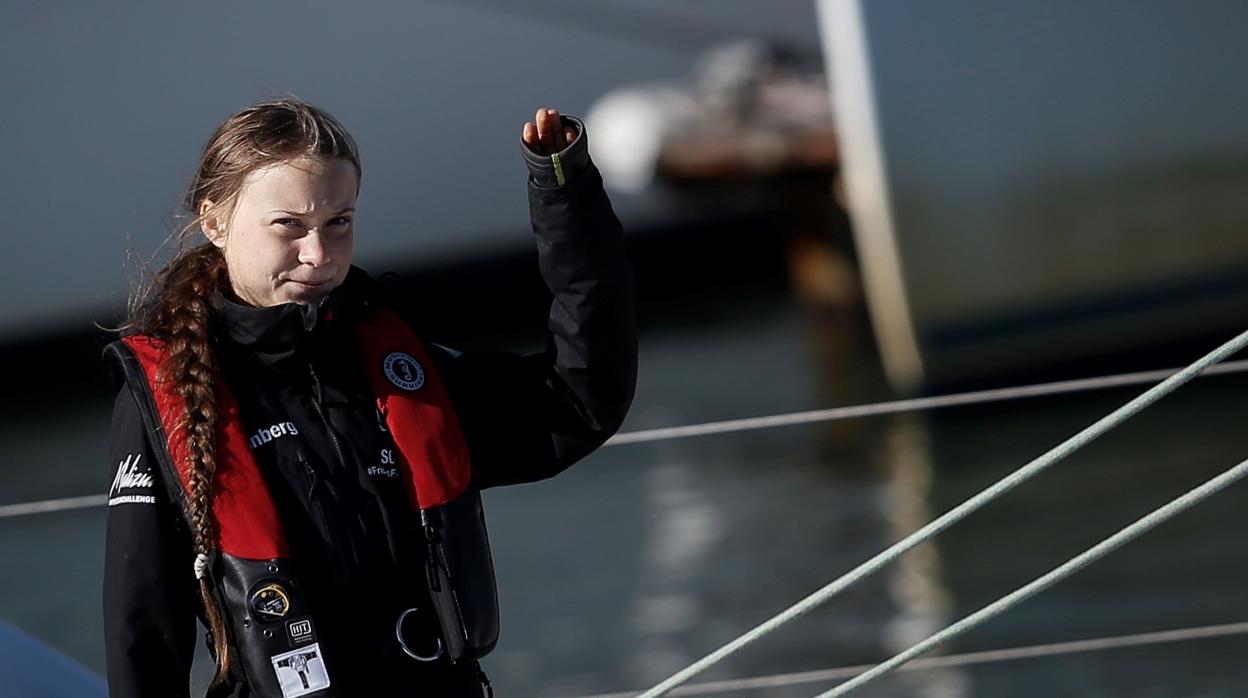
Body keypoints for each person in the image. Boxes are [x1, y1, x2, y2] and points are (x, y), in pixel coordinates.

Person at [102, 97, 637, 698]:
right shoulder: (168, 393)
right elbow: (142, 633)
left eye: (339, 222)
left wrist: (563, 192)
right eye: (289, 225)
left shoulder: (395, 361)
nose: (319, 255)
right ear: (216, 221)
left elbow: (580, 398)